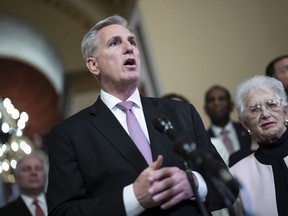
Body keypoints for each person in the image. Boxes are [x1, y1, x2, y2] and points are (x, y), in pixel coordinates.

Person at [46, 15, 238, 216]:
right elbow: (63, 212)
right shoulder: (69, 134)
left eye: (132, 42)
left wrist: (194, 184)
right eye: (115, 43)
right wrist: (133, 198)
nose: (129, 48)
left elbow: (228, 185)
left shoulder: (181, 113)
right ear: (94, 65)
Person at [229, 75, 288, 216]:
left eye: (272, 104)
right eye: (255, 109)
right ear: (245, 124)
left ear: (285, 112)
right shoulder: (237, 174)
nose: (265, 114)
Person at [204, 85, 254, 167]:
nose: (216, 103)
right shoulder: (205, 139)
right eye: (211, 100)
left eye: (222, 99)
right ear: (205, 108)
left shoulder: (247, 129)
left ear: (231, 105)